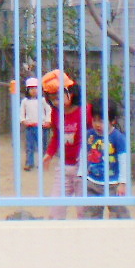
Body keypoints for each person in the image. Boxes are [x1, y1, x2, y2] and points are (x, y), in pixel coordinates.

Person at [43, 83, 91, 219]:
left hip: (83, 168)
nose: (56, 102)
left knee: (83, 209)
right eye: (52, 99)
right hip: (64, 166)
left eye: (58, 97)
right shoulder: (56, 114)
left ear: (71, 93)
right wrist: (49, 154)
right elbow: (56, 136)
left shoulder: (86, 110)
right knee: (56, 206)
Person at [80, 99, 130, 219]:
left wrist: (122, 183)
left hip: (113, 184)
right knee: (91, 214)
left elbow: (124, 160)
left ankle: (125, 233)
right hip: (93, 182)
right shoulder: (90, 134)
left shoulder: (117, 137)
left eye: (101, 121)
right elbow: (84, 152)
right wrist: (82, 173)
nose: (97, 124)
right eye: (94, 120)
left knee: (120, 214)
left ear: (112, 121)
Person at [19, 76, 45, 171]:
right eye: (31, 89)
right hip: (30, 127)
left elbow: (49, 110)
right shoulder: (25, 101)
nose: (34, 91)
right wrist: (23, 120)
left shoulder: (42, 100)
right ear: (27, 90)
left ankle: (42, 162)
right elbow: (21, 113)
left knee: (41, 145)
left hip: (40, 127)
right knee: (29, 146)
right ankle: (29, 163)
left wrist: (47, 121)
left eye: (36, 88)